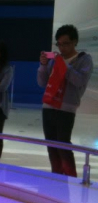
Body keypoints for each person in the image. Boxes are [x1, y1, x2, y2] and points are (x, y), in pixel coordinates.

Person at [37, 25, 94, 177]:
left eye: (66, 43)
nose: (62, 47)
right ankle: (56, 176)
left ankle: (71, 179)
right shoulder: (54, 60)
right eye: (59, 44)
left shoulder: (84, 59)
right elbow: (42, 82)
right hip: (49, 105)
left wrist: (63, 66)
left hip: (66, 108)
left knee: (63, 145)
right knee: (51, 145)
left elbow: (79, 80)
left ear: (75, 42)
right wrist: (43, 65)